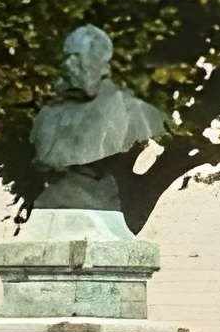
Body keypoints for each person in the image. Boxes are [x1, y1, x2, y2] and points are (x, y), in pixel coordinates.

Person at [29, 24, 166, 215]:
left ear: (103, 65)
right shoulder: (49, 114)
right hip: (52, 208)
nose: (68, 65)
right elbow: (43, 160)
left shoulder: (135, 112)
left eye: (76, 58)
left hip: (99, 208)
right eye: (66, 57)